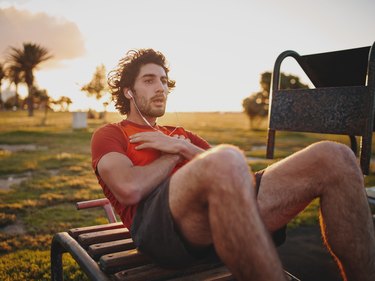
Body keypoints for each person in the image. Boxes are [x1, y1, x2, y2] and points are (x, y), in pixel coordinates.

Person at [91, 48, 375, 281]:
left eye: (164, 81)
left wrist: (181, 146)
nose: (161, 87)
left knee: (335, 157)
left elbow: (239, 177)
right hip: (159, 229)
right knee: (224, 158)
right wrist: (175, 154)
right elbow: (128, 189)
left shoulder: (181, 135)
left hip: (224, 215)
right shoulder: (111, 133)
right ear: (128, 91)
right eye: (150, 80)